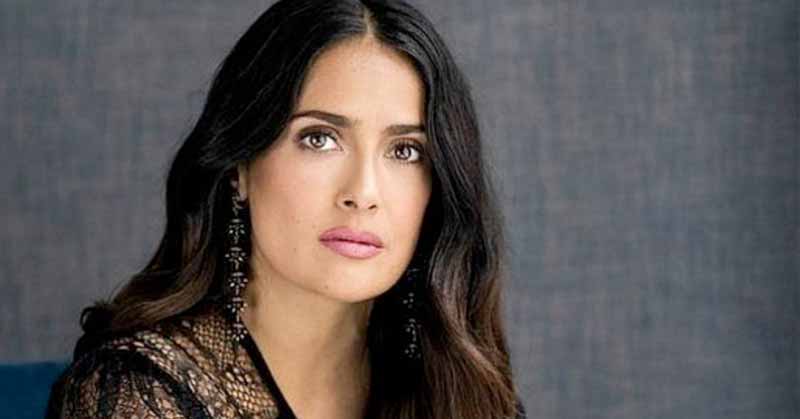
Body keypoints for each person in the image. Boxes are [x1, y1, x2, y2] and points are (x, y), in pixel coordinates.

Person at [45, 0, 527, 418]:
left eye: (405, 151)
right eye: (319, 139)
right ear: (240, 166)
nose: (363, 192)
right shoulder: (137, 393)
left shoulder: (459, 383)